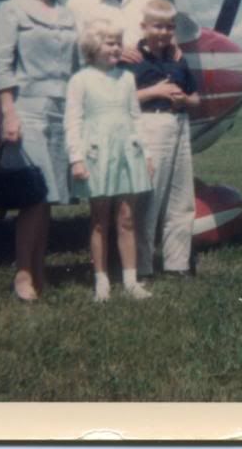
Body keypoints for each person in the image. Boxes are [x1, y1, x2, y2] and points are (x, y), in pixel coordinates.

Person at [0, 0, 78, 302]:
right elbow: (2, 66)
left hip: (61, 111)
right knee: (34, 197)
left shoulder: (67, 13)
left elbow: (78, 64)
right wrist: (9, 114)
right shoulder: (11, 10)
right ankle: (23, 274)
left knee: (49, 198)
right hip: (28, 110)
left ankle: (39, 270)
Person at [64, 19, 154, 302]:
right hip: (97, 154)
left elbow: (136, 117)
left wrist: (147, 154)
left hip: (127, 152)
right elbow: (73, 121)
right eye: (110, 43)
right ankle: (101, 281)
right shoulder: (80, 80)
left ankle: (131, 281)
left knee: (126, 217)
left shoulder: (126, 78)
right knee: (99, 219)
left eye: (119, 43)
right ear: (93, 47)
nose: (117, 48)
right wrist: (76, 159)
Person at [129, 0, 200, 278]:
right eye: (157, 26)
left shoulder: (178, 60)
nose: (163, 32)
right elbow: (121, 99)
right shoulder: (133, 60)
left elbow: (196, 98)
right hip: (151, 124)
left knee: (181, 198)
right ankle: (142, 266)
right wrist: (155, 92)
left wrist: (185, 100)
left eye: (169, 27)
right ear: (144, 27)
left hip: (179, 123)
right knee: (149, 198)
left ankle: (177, 263)